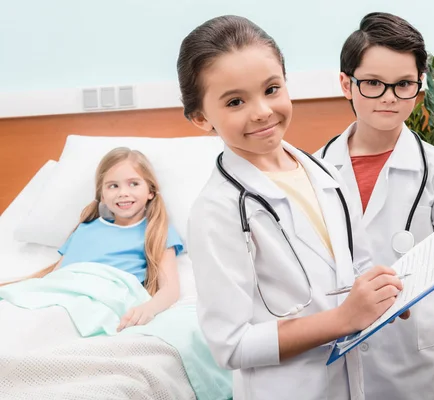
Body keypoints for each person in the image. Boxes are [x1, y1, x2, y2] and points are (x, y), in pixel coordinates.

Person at [179, 15, 407, 400]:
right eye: (235, 101)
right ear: (202, 118)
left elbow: (357, 264)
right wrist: (342, 319)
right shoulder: (217, 210)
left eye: (271, 89)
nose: (262, 111)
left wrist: (384, 294)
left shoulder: (321, 171)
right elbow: (230, 345)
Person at [316, 12, 434, 400]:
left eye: (403, 84)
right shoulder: (316, 170)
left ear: (419, 87)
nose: (389, 97)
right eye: (372, 83)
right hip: (340, 345)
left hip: (412, 350)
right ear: (346, 84)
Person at [1, 147, 183, 331]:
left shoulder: (157, 230)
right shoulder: (86, 228)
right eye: (113, 186)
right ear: (102, 195)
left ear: (151, 191)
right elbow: (56, 277)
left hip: (105, 296)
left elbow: (170, 290)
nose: (123, 192)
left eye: (133, 184)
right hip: (64, 293)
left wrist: (147, 309)